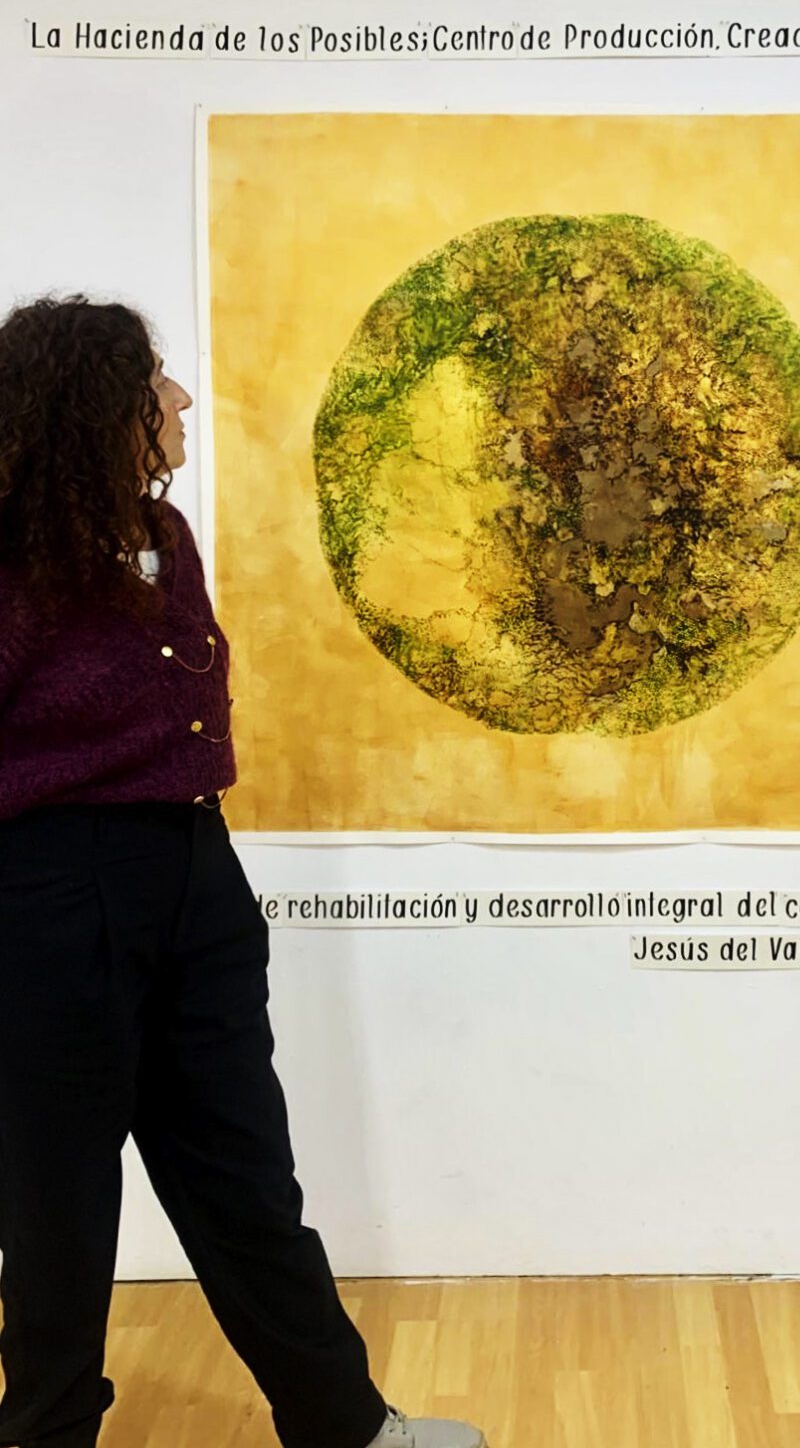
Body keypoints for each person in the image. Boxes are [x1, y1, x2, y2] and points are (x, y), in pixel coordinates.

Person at [0, 296, 485, 1448]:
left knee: (244, 1170)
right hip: (55, 886)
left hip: (192, 869)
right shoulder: (17, 562)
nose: (176, 399)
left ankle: (340, 1424)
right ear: (88, 409)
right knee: (58, 1200)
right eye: (152, 383)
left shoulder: (164, 536)